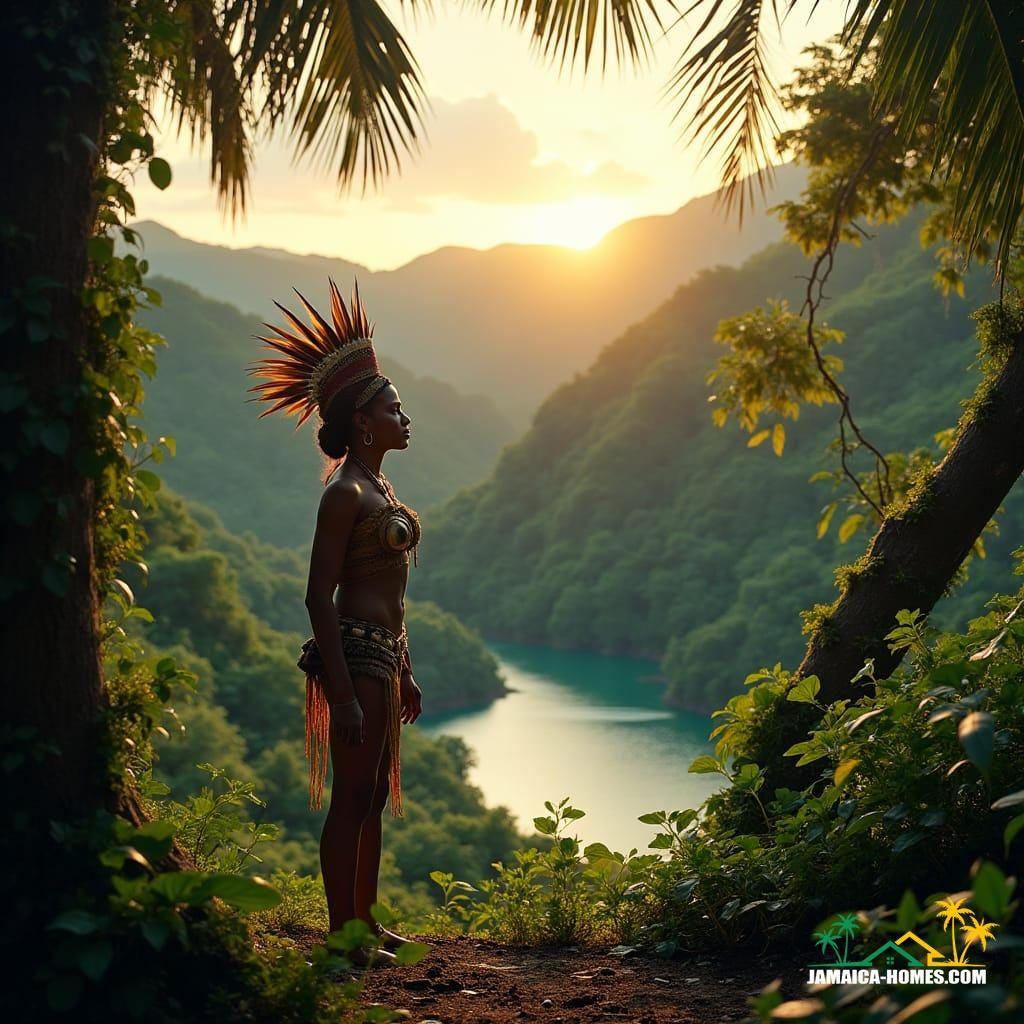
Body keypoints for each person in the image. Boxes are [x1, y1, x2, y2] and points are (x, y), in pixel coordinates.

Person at [247, 278, 424, 968]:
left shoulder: (380, 489)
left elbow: (395, 597)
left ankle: (369, 923)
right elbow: (319, 597)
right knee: (351, 798)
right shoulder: (344, 493)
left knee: (373, 795)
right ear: (363, 423)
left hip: (382, 660)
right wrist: (345, 693)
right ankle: (342, 936)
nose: (407, 420)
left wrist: (406, 671)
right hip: (352, 658)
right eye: (396, 409)